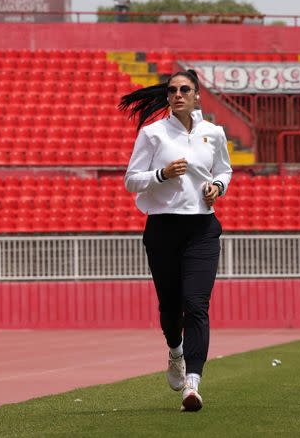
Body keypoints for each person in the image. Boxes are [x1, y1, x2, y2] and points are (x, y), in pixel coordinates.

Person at [119, 69, 233, 412]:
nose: (178, 94)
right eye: (172, 90)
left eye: (185, 89)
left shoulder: (213, 132)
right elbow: (130, 181)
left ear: (197, 95)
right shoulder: (153, 134)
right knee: (170, 309)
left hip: (202, 229)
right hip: (163, 229)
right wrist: (161, 174)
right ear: (167, 96)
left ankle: (193, 383)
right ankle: (175, 351)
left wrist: (218, 187)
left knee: (196, 306)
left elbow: (224, 169)